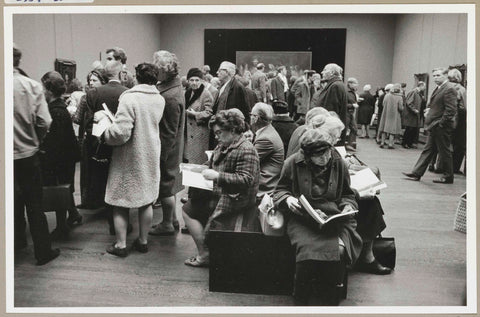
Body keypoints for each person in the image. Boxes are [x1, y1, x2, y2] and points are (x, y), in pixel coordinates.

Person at [273, 128, 362, 305]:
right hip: (303, 218)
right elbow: (280, 190)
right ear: (307, 156)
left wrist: (347, 206)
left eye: (328, 152)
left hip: (334, 218)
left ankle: (329, 300)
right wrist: (288, 199)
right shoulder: (292, 163)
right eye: (319, 155)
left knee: (338, 250)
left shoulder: (339, 163)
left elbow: (347, 194)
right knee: (307, 251)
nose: (325, 158)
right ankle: (301, 300)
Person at [95, 63, 165, 257]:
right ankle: (143, 241)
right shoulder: (158, 98)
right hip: (150, 152)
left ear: (137, 76)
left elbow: (121, 133)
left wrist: (105, 131)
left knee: (120, 200)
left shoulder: (130, 97)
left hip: (129, 155)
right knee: (146, 200)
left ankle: (121, 245)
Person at [182, 109, 260, 267]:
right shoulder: (226, 143)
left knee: (189, 210)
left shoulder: (246, 150)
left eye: (219, 133)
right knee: (190, 205)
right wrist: (196, 169)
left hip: (236, 198)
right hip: (225, 192)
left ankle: (204, 254)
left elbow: (246, 179)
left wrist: (217, 176)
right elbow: (212, 164)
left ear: (232, 130)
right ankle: (206, 251)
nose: (216, 137)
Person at [13, 45, 60, 265]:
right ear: (18, 61)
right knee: (34, 203)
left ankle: (16, 242)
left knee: (10, 201)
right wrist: (36, 139)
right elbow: (45, 121)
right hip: (27, 154)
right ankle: (42, 251)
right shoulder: (30, 86)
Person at [85, 60, 128, 233]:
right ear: (120, 74)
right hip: (121, 144)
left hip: (100, 143)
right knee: (120, 183)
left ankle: (111, 219)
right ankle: (121, 222)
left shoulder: (94, 92)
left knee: (104, 182)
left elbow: (88, 123)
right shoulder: (127, 93)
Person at [40, 71, 82, 240]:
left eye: (43, 87)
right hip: (67, 156)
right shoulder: (60, 107)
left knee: (59, 188)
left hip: (60, 158)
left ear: (49, 90)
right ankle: (73, 214)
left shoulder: (56, 110)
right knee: (65, 187)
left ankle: (61, 226)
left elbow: (56, 141)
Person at [150, 50, 185, 235]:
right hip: (172, 147)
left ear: (164, 70)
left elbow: (169, 132)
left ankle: (167, 224)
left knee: (165, 187)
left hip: (167, 149)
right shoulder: (173, 87)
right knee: (168, 186)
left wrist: (161, 156)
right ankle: (172, 219)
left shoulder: (169, 95)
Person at [403, 67, 457, 184]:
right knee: (428, 150)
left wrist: (441, 123)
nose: (435, 78)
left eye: (438, 75)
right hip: (435, 125)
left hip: (441, 126)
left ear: (445, 76)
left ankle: (448, 176)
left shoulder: (449, 88)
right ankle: (417, 172)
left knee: (445, 151)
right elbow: (438, 105)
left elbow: (451, 110)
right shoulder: (440, 88)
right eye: (434, 76)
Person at [73, 69, 107, 209]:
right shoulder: (86, 98)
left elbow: (77, 118)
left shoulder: (88, 98)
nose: (91, 83)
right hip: (92, 138)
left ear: (102, 81)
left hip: (100, 138)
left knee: (97, 171)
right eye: (90, 81)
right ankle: (91, 200)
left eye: (94, 80)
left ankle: (96, 200)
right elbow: (78, 118)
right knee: (89, 171)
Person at [250, 103, 284, 198]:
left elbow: (247, 161)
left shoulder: (265, 139)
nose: (250, 117)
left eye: (251, 115)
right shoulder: (267, 132)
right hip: (266, 180)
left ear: (256, 118)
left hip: (264, 185)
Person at [312, 63, 348, 145]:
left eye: (325, 70)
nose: (322, 72)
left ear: (331, 72)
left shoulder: (335, 86)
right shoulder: (336, 84)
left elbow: (331, 112)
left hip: (330, 131)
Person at [184, 68, 214, 164]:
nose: (194, 83)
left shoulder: (206, 94)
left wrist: (195, 114)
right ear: (188, 81)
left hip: (199, 133)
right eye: (192, 80)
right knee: (188, 159)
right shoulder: (187, 93)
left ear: (202, 81)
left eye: (197, 80)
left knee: (198, 161)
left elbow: (209, 112)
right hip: (188, 132)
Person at [448, 69, 466, 174]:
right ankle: (454, 167)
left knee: (447, 143)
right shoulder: (461, 89)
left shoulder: (445, 87)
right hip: (460, 118)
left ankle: (442, 166)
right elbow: (465, 106)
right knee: (459, 144)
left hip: (447, 117)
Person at [377, 83, 404, 149]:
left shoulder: (387, 95)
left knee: (384, 129)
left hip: (386, 114)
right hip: (395, 115)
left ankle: (382, 143)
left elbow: (383, 104)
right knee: (392, 130)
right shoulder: (399, 97)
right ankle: (390, 144)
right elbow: (400, 108)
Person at [401, 82, 425, 149]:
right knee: (409, 129)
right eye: (424, 86)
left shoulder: (418, 93)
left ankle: (409, 143)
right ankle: (405, 143)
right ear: (420, 86)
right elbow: (409, 103)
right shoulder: (414, 92)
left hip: (415, 115)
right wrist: (414, 110)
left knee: (413, 130)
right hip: (411, 115)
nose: (425, 88)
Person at [345, 77, 359, 151]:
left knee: (354, 128)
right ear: (350, 84)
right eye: (355, 83)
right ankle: (345, 145)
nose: (357, 85)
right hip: (346, 113)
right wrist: (352, 105)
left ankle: (348, 144)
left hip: (350, 113)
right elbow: (343, 103)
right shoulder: (347, 92)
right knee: (346, 129)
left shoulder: (351, 91)